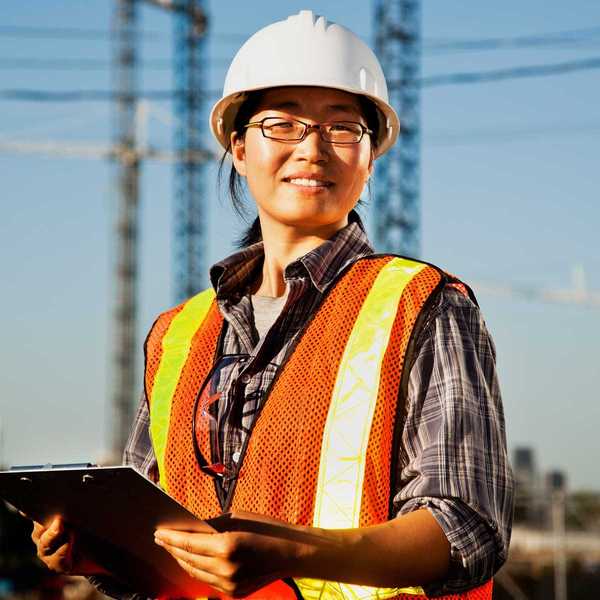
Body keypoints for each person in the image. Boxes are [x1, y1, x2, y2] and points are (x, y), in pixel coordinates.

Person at [30, 10, 514, 600]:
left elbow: (468, 530)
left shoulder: (427, 308)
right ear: (238, 147)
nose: (312, 149)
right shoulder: (177, 337)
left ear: (370, 156)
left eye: (342, 129)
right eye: (282, 125)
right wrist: (101, 553)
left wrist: (289, 553)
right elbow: (159, 548)